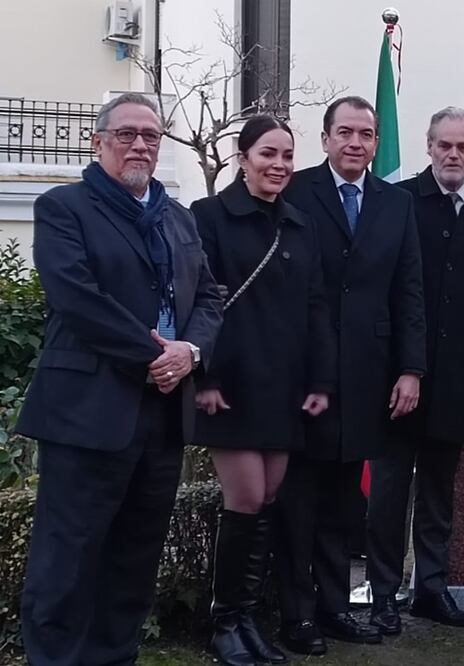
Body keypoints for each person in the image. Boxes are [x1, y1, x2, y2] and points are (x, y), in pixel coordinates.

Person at [16, 92, 222, 665]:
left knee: (134, 558)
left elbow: (208, 295)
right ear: (99, 141)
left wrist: (192, 350)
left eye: (151, 136)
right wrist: (156, 356)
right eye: (127, 133)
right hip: (88, 412)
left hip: (160, 418)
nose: (140, 144)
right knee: (68, 558)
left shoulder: (178, 217)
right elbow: (76, 297)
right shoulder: (64, 207)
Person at [274, 96, 426, 655]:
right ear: (326, 138)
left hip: (368, 372)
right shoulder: (295, 190)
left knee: (343, 503)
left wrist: (411, 368)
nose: (356, 143)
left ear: (376, 142)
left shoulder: (396, 202)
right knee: (299, 499)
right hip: (305, 371)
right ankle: (297, 614)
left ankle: (336, 608)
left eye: (366, 134)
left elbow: (409, 289)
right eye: (345, 132)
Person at [189, 115, 335, 666]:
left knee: (269, 499)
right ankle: (224, 623)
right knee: (246, 497)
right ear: (242, 157)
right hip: (230, 384)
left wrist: (322, 380)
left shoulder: (299, 224)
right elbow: (197, 301)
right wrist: (207, 377)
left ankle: (247, 620)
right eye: (268, 154)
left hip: (286, 384)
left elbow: (316, 306)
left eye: (287, 156)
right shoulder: (208, 218)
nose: (279, 165)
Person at [366, 107, 464, 635]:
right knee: (388, 492)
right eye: (444, 145)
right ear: (428, 147)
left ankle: (431, 588)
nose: (453, 155)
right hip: (398, 377)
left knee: (439, 490)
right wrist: (398, 365)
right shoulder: (396, 203)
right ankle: (383, 591)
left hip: (458, 377)